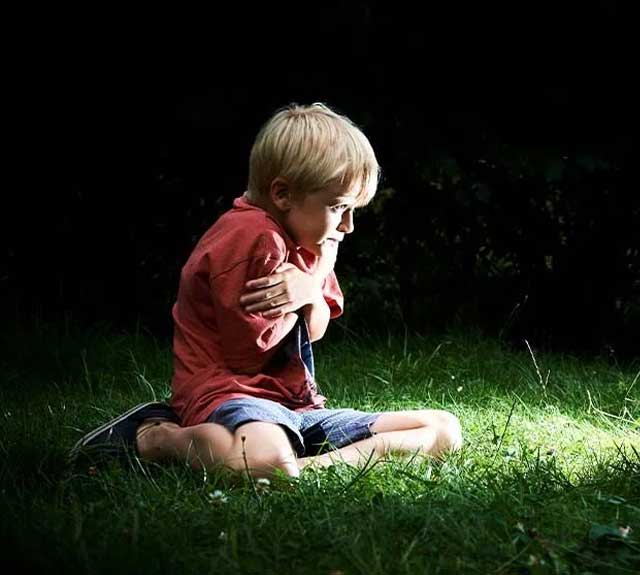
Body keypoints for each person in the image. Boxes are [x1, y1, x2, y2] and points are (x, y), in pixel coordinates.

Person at [70, 103, 462, 479]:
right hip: (225, 396)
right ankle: (158, 437)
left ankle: (297, 467)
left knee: (444, 428)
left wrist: (310, 287)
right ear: (282, 194)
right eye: (339, 207)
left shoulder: (309, 247)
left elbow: (315, 328)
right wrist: (308, 288)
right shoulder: (253, 237)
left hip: (292, 406)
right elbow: (245, 354)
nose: (348, 227)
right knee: (263, 460)